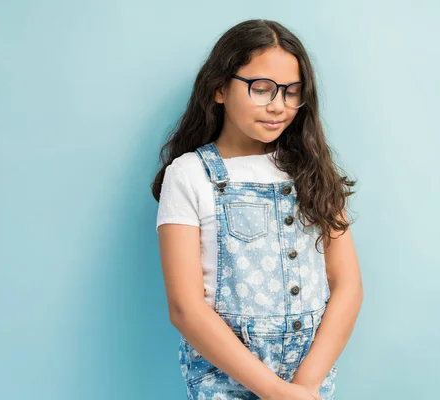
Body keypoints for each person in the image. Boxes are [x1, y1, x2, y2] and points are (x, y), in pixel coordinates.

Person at [151, 19, 364, 400]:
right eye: (261, 89)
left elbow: (347, 285)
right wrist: (273, 391)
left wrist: (305, 386)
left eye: (291, 92)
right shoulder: (189, 175)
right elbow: (185, 309)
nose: (278, 106)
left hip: (309, 375)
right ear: (219, 88)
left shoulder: (312, 170)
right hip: (224, 377)